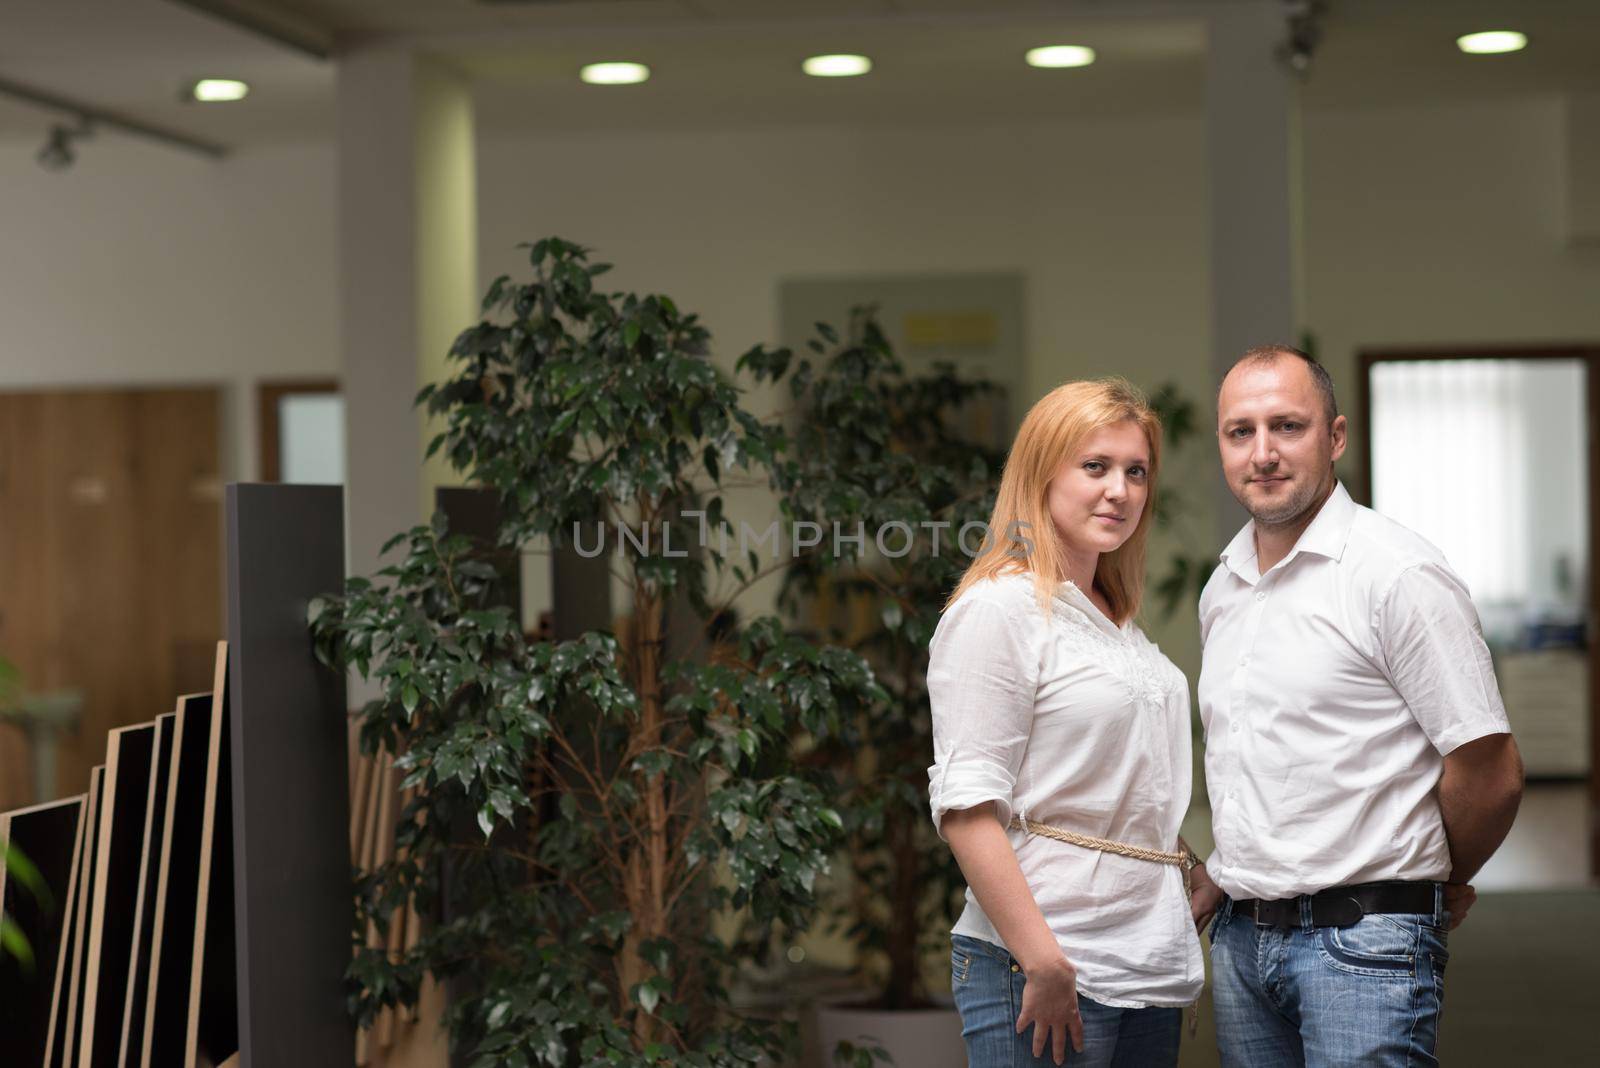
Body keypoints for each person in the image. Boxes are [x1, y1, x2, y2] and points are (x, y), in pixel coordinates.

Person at [1189, 345, 1525, 1068]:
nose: (1264, 452)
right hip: (1244, 947)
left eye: (1288, 426)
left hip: (1362, 945)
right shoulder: (1223, 588)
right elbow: (1261, 755)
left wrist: (1437, 877)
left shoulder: (1396, 575)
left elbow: (1490, 768)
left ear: (1335, 437)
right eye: (1240, 432)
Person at [927, 378, 1205, 1068]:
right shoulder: (999, 611)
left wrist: (1188, 864)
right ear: (1040, 475)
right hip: (1044, 960)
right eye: (1095, 467)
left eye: (1136, 472)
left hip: (1142, 958)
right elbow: (967, 809)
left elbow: (1109, 784)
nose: (1120, 490)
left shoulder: (1115, 625)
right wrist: (1043, 961)